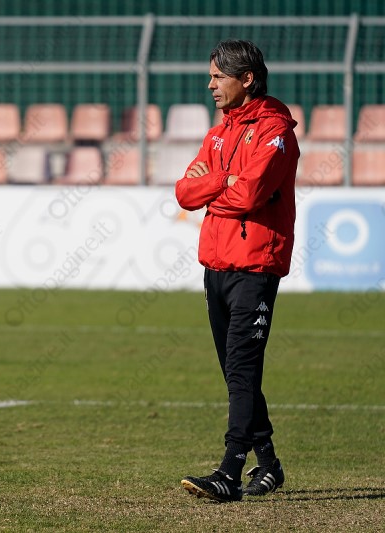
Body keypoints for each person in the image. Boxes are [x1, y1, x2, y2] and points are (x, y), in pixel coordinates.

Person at [175, 39, 299, 503]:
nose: (210, 85)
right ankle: (268, 463)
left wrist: (217, 188)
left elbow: (249, 195)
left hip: (255, 267)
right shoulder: (219, 133)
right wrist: (223, 180)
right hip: (217, 265)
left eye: (217, 76)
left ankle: (229, 471)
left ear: (246, 79)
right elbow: (184, 193)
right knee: (235, 371)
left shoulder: (275, 132)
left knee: (243, 369)